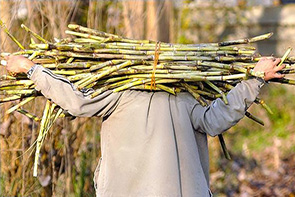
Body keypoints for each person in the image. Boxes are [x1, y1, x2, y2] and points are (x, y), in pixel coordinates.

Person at [6, 55, 284, 196]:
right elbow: (217, 119)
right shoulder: (185, 99)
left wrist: (32, 68)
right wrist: (254, 80)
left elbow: (75, 100)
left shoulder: (119, 96)